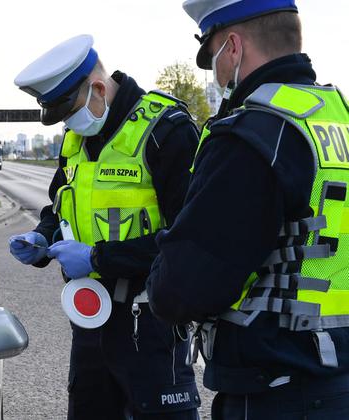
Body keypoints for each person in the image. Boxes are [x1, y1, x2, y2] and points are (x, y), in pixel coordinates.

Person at [146, 1, 349, 418]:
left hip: (277, 394)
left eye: (214, 57)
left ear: (233, 48)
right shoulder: (337, 120)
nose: (217, 75)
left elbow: (184, 289)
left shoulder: (253, 134)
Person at [9, 35, 201, 419]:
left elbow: (189, 239)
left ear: (98, 88)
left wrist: (98, 257)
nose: (68, 124)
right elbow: (60, 204)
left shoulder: (167, 131)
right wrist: (42, 236)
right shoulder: (77, 138)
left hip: (150, 323)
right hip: (90, 319)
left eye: (69, 112)